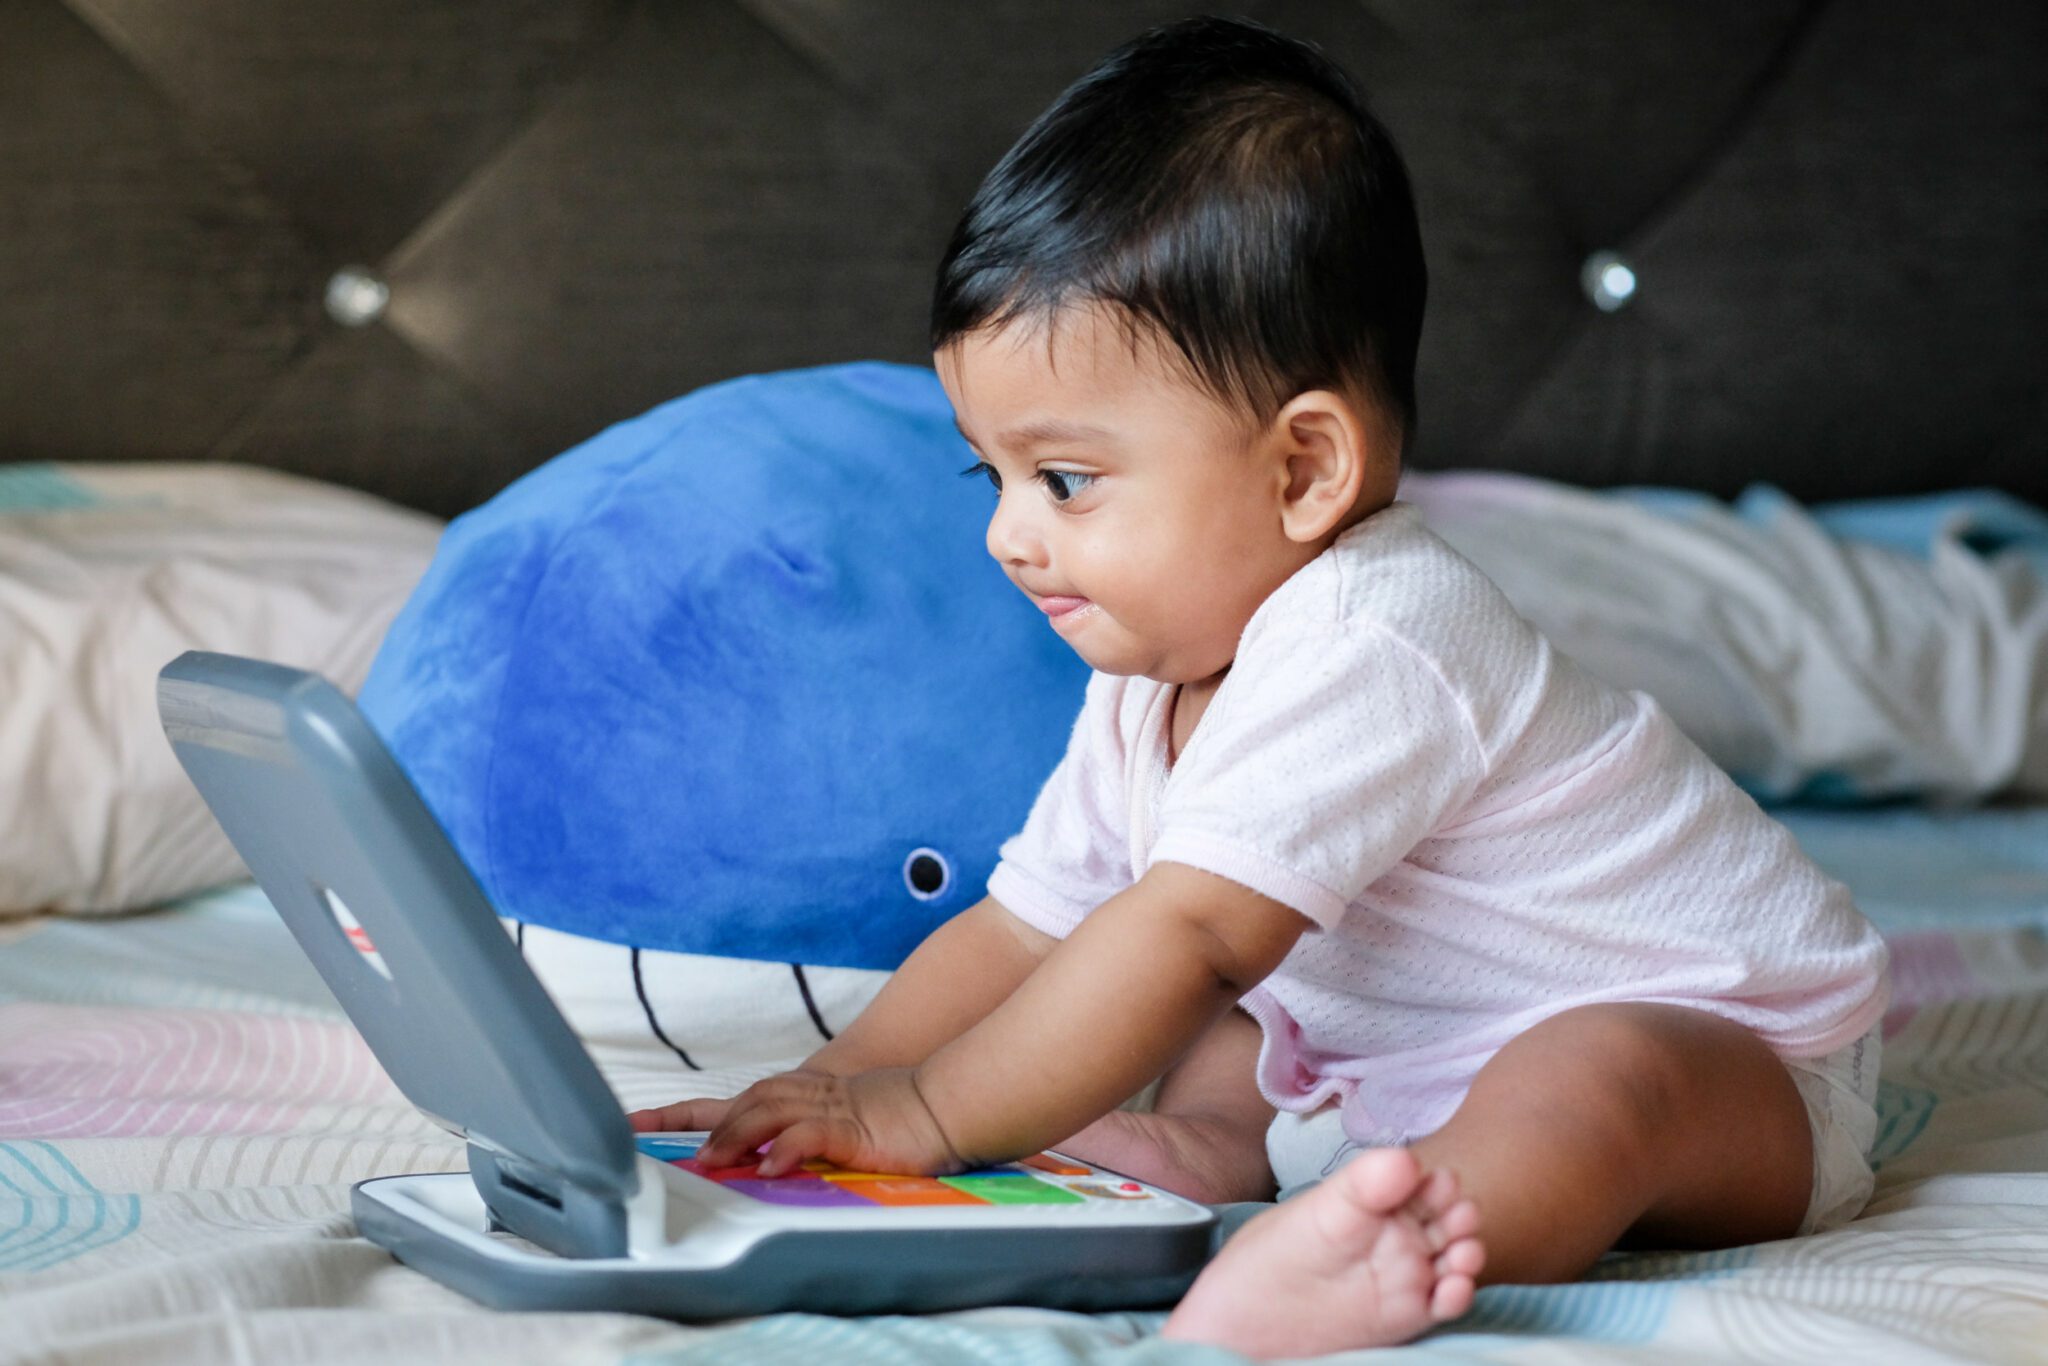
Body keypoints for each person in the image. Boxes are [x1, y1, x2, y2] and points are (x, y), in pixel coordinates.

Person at [629, 16, 1889, 1356]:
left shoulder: (1381, 633)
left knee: (1583, 1070)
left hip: (1740, 1062)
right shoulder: (1151, 670)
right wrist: (835, 1083)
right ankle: (1206, 1147)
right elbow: (1027, 929)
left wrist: (927, 1115)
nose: (1008, 531)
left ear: (1302, 472)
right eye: (985, 475)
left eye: (1062, 479)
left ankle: (1384, 1244)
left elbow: (1181, 934)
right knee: (1238, 1020)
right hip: (1410, 1053)